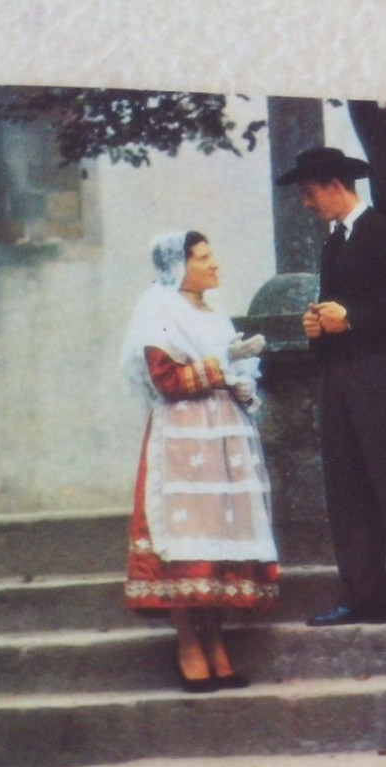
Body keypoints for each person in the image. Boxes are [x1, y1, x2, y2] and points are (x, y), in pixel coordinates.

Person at [276, 147, 386, 635]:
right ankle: (363, 595)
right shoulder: (333, 244)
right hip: (340, 378)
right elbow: (343, 308)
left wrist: (353, 318)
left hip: (382, 375)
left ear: (334, 185)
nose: (306, 204)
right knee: (347, 490)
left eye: (308, 193)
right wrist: (320, 326)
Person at [121, 231, 278, 692]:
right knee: (187, 538)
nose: (214, 265)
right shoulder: (160, 313)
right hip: (183, 434)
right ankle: (189, 642)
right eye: (204, 258)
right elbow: (166, 381)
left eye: (213, 255)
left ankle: (216, 640)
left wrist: (241, 376)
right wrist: (220, 364)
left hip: (222, 432)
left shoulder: (212, 313)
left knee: (216, 537)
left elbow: (229, 372)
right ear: (179, 266)